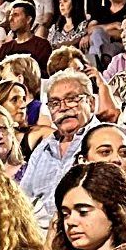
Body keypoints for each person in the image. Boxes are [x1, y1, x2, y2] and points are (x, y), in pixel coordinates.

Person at [19, 70, 92, 211]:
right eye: (55, 103)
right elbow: (23, 199)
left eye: (71, 99)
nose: (63, 108)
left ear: (91, 102)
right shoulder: (43, 148)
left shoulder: (108, 139)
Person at [0, 0, 53, 72]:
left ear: (28, 19)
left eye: (16, 15)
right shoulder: (5, 48)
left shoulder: (42, 46)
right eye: (10, 15)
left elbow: (44, 74)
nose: (11, 19)